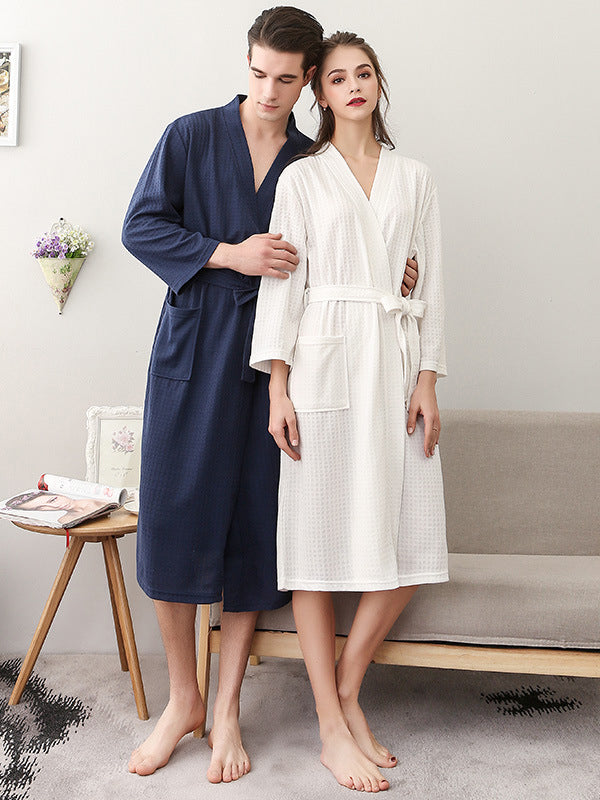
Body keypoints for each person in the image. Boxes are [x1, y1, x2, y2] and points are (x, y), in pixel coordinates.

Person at [123, 5, 419, 784]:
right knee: (174, 519)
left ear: (308, 82)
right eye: (258, 73)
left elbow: (350, 251)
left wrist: (394, 268)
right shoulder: (190, 136)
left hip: (275, 367)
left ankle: (226, 708)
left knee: (253, 529)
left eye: (286, 80)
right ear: (247, 64)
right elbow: (141, 227)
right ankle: (183, 700)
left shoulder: (310, 162)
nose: (267, 91)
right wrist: (230, 253)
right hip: (193, 352)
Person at [250, 31, 448, 792]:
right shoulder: (303, 178)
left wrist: (427, 378)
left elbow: (432, 283)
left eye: (364, 74)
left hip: (394, 363)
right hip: (323, 365)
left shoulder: (414, 177)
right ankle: (333, 728)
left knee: (410, 538)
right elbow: (284, 287)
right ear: (320, 94)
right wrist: (278, 387)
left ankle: (345, 693)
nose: (354, 86)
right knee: (314, 539)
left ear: (377, 84)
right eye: (337, 78)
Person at [5, 491, 107, 526]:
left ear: (59, 494)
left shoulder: (102, 501)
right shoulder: (65, 520)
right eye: (41, 507)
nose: (54, 506)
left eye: (53, 500)